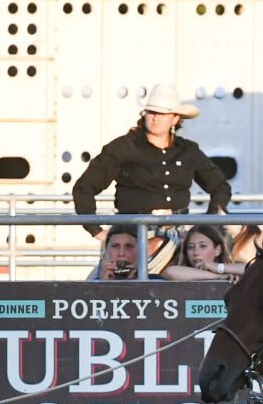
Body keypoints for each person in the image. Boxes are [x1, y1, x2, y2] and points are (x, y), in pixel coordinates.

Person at [73, 82, 232, 276]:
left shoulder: (188, 150)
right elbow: (84, 187)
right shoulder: (124, 147)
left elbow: (220, 187)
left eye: (162, 113)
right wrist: (96, 230)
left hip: (178, 233)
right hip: (131, 234)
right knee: (112, 280)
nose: (155, 118)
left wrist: (209, 223)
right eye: (151, 112)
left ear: (175, 119)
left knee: (196, 274)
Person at [161, 226, 245, 281]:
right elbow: (170, 272)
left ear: (217, 250)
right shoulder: (180, 272)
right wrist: (218, 277)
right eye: (190, 247)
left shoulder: (232, 272)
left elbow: (254, 268)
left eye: (203, 246)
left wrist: (218, 267)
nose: (196, 252)